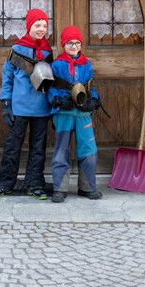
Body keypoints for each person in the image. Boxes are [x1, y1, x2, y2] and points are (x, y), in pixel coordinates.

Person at [0, 8, 54, 200]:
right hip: (19, 107)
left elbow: (51, 80)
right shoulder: (18, 49)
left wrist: (54, 106)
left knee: (38, 147)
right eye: (37, 25)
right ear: (29, 26)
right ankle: (5, 183)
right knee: (13, 146)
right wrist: (6, 103)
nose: (41, 29)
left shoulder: (48, 51)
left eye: (44, 25)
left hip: (41, 107)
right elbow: (7, 76)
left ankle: (35, 183)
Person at [47, 26, 102, 203]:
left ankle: (87, 187)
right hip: (64, 112)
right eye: (70, 43)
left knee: (88, 148)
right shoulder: (56, 65)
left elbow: (90, 86)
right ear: (63, 44)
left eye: (77, 43)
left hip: (83, 113)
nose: (74, 46)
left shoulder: (87, 65)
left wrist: (94, 100)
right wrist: (57, 100)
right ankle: (60, 188)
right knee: (61, 149)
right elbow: (50, 88)